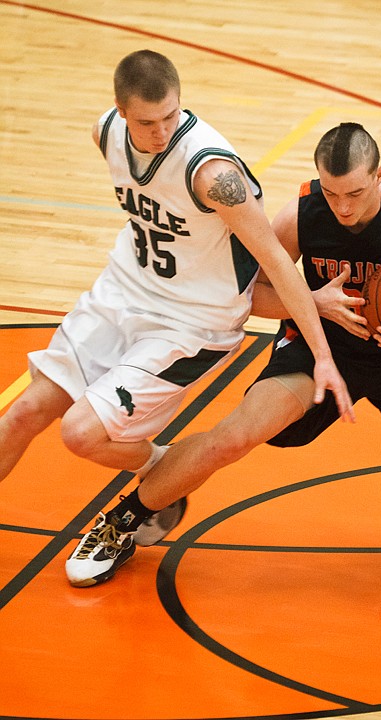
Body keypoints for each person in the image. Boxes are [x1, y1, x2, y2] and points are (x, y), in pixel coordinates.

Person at [65, 121, 381, 587]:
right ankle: (122, 520)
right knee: (231, 438)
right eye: (331, 191)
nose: (342, 206)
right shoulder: (302, 214)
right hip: (326, 348)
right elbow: (244, 293)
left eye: (355, 193)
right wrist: (312, 303)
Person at [0, 50, 355, 584]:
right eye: (147, 121)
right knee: (24, 413)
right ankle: (163, 466)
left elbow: (276, 262)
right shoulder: (104, 133)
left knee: (79, 435)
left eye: (172, 115)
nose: (163, 131)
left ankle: (161, 472)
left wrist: (322, 352)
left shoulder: (213, 174)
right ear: (120, 112)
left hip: (191, 325)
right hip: (120, 293)